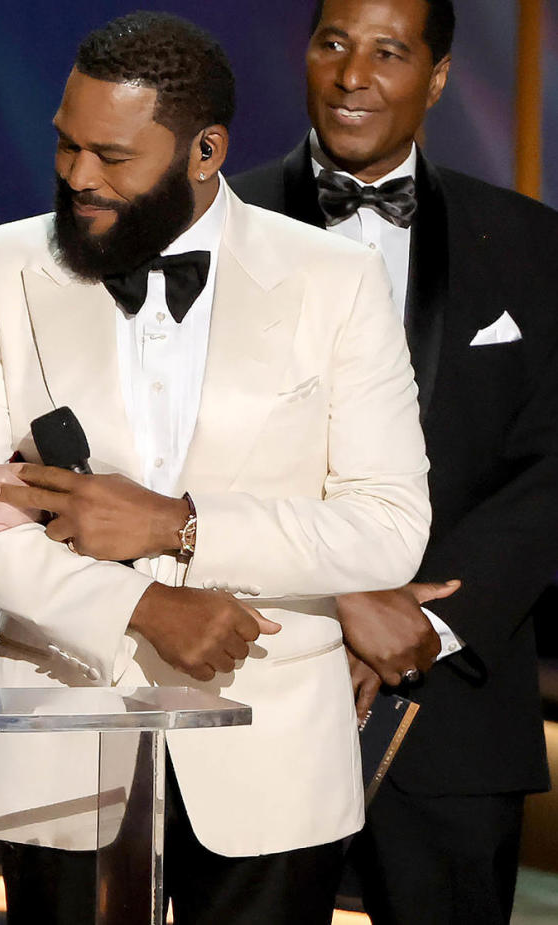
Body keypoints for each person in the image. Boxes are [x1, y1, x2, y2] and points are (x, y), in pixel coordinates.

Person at [0, 12, 432, 925]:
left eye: (112, 156)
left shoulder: (334, 279)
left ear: (204, 150)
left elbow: (388, 526)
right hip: (59, 733)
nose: (79, 176)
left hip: (271, 751)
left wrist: (177, 524)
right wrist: (143, 606)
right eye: (67, 146)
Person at [231, 1, 558, 922]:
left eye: (388, 52)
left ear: (439, 75)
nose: (352, 76)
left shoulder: (532, 245)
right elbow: (186, 452)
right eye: (333, 44)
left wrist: (423, 624)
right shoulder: (217, 228)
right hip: (257, 680)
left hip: (452, 706)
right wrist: (339, 599)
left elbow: (550, 467)